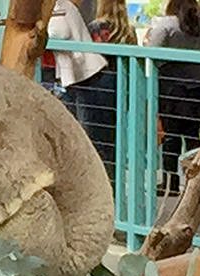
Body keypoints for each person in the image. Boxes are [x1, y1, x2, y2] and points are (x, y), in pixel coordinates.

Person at [145, 0, 200, 196]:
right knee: (193, 135)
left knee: (171, 136)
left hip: (171, 87)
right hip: (197, 87)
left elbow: (153, 54)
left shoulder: (166, 24)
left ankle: (171, 182)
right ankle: (196, 180)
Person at [83, 0, 138, 185]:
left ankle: (103, 185)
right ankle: (115, 183)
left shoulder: (95, 28)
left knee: (96, 139)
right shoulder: (129, 30)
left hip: (98, 85)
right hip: (122, 85)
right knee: (115, 139)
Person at [47, 0, 108, 131]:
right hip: (75, 78)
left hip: (89, 76)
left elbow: (59, 32)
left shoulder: (60, 5)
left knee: (90, 132)